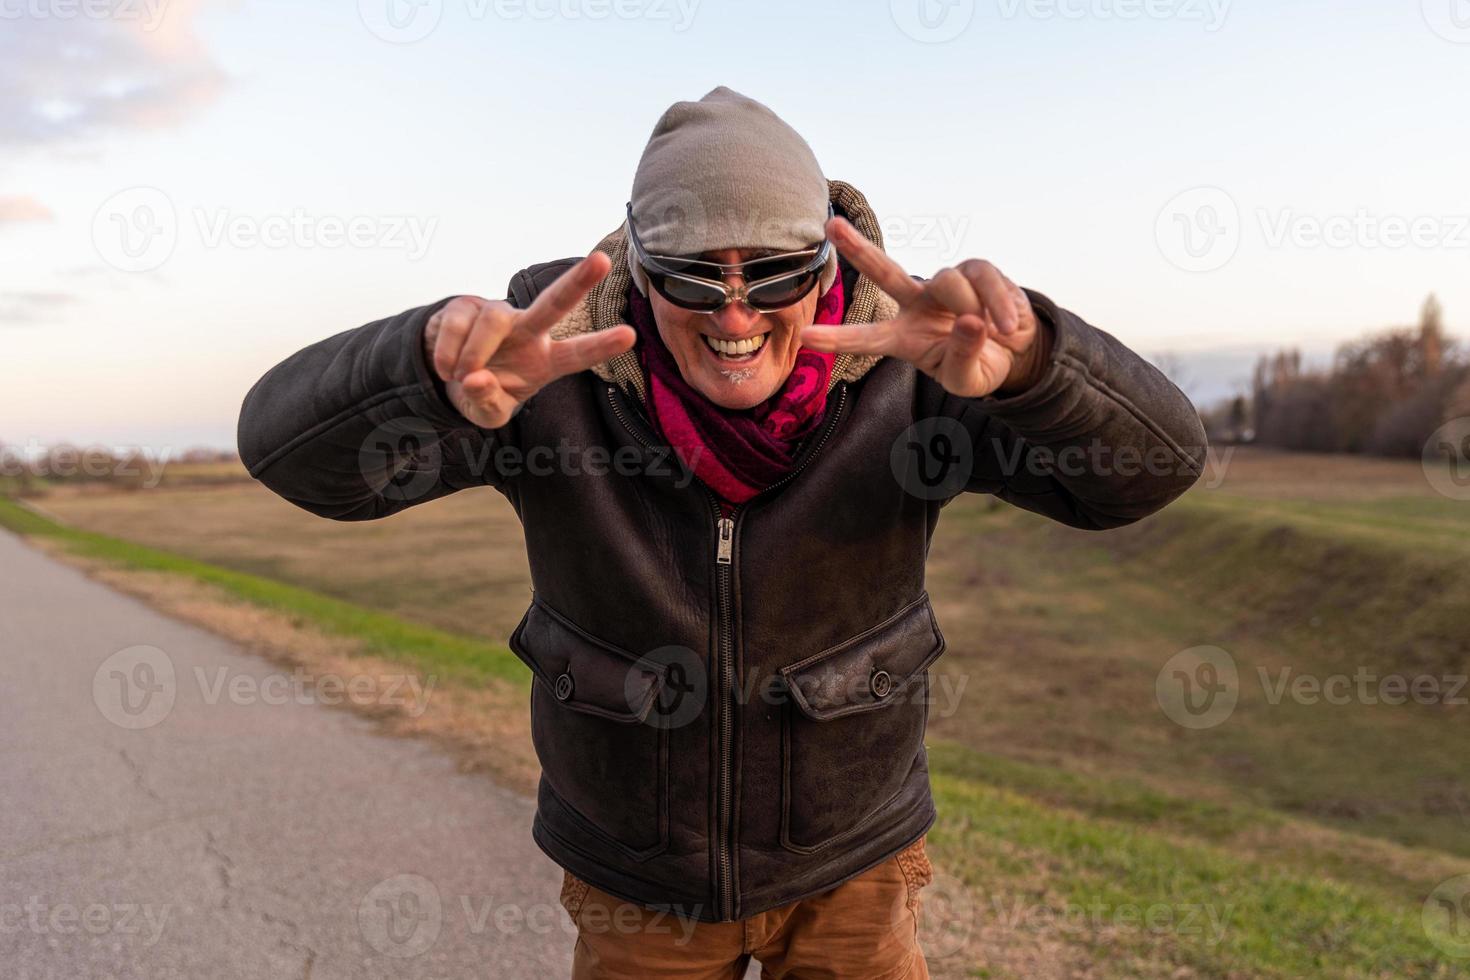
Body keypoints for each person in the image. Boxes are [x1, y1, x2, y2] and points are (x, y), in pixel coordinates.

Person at [237, 87, 1207, 979]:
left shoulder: (921, 379)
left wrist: (1036, 363)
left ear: (823, 264)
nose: (736, 312)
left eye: (774, 273)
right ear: (638, 270)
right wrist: (420, 373)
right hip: (637, 878)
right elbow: (292, 459)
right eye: (695, 277)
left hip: (853, 862)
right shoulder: (545, 378)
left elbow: (1150, 470)